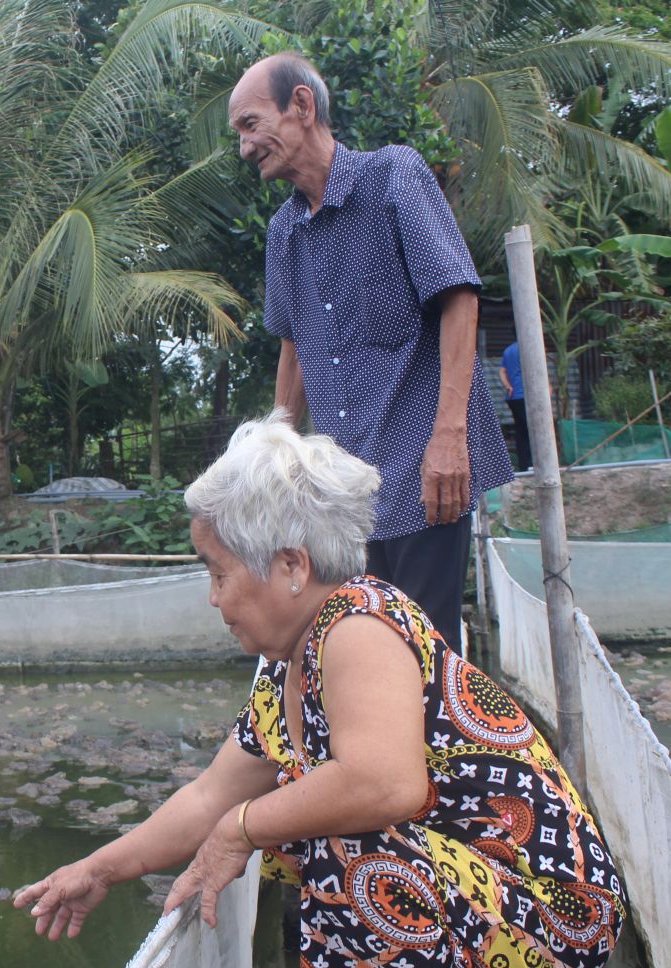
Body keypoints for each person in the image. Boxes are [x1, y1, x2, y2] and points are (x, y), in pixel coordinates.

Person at [14, 414, 626, 968]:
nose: (213, 598)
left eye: (219, 573)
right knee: (284, 814)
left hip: (556, 918)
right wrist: (98, 868)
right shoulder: (286, 670)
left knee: (316, 820)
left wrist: (242, 828)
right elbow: (208, 795)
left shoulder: (359, 622)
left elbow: (383, 783)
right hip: (484, 900)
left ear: (291, 566)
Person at [228, 52, 513, 646]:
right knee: (360, 646)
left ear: (301, 106)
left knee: (427, 650)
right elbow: (295, 349)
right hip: (342, 491)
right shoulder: (283, 234)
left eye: (251, 125)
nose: (244, 147)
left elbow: (458, 300)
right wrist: (274, 466)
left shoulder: (394, 177)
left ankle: (442, 740)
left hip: (422, 468)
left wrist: (450, 436)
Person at [499, 341, 532, 471]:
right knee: (530, 430)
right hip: (525, 395)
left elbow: (502, 371)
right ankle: (531, 464)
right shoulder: (528, 346)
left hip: (512, 397)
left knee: (521, 431)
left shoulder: (508, 350)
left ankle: (524, 465)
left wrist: (508, 386)